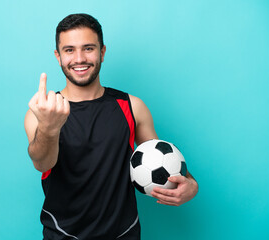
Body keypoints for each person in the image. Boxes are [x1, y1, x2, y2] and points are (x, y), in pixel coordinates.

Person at [24, 13, 198, 240]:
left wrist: (191, 184)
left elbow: (160, 159)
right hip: (63, 234)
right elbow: (42, 163)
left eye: (88, 48)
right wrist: (49, 127)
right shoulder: (43, 111)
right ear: (58, 56)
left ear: (102, 52)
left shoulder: (132, 106)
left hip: (123, 234)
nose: (79, 58)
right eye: (69, 50)